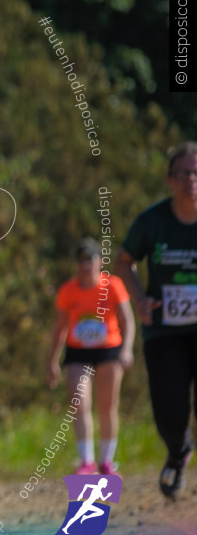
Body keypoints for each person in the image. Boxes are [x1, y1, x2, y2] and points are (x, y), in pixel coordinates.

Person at [116, 141, 197, 498]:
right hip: (164, 331)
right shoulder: (152, 221)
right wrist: (139, 297)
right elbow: (123, 261)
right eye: (183, 173)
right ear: (169, 180)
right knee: (170, 409)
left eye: (196, 173)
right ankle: (178, 453)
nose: (191, 180)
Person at [46, 238, 134, 475]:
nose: (85, 265)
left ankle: (107, 461)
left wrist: (126, 349)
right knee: (79, 403)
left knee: (107, 406)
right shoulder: (68, 291)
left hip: (109, 350)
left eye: (90, 260)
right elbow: (60, 328)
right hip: (78, 351)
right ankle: (87, 461)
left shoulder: (113, 286)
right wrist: (52, 361)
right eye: (81, 260)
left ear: (100, 262)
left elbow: (128, 320)